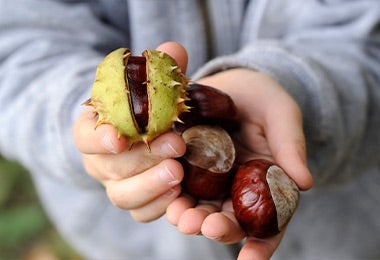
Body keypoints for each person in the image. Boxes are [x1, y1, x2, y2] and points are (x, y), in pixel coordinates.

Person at [0, 0, 379, 259]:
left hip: (340, 233)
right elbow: (14, 51)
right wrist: (77, 126)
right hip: (135, 245)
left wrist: (299, 88)